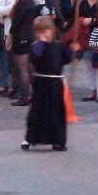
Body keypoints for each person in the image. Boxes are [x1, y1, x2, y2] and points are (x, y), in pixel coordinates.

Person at [22, 16, 72, 152]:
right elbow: (35, 58)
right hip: (41, 83)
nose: (42, 34)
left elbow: (65, 59)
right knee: (37, 110)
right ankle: (30, 138)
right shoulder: (36, 47)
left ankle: (57, 140)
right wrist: (41, 43)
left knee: (56, 111)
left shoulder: (59, 45)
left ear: (52, 31)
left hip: (55, 83)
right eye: (39, 32)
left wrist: (71, 50)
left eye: (45, 31)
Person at [71, 0, 98, 101]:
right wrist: (82, 21)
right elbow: (77, 17)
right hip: (86, 36)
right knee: (88, 64)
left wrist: (92, 20)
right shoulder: (83, 3)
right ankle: (92, 90)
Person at [8, 0, 39, 106]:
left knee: (23, 68)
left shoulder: (23, 2)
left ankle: (25, 96)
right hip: (28, 35)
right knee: (29, 68)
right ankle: (35, 96)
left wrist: (10, 33)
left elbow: (17, 21)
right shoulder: (28, 0)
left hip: (21, 36)